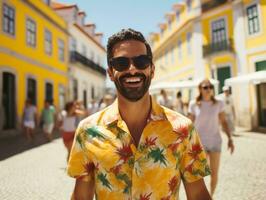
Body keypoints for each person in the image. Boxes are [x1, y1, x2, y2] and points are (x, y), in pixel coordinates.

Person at [67, 28, 211, 200]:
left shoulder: (183, 129)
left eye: (141, 61)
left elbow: (199, 194)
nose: (133, 69)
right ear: (111, 73)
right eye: (121, 63)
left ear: (152, 70)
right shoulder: (87, 131)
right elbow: (80, 197)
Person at [188, 79, 235, 197]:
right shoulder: (193, 104)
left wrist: (230, 138)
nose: (208, 89)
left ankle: (211, 196)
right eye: (205, 87)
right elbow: (189, 124)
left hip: (215, 142)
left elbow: (223, 122)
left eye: (210, 87)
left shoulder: (219, 103)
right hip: (199, 143)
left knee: (214, 174)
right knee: (199, 175)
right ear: (200, 89)